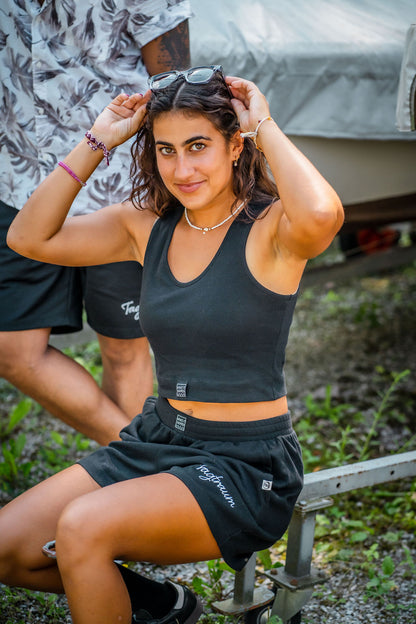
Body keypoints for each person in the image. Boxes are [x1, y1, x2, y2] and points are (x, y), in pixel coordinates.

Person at [0, 66, 344, 624]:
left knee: (83, 528)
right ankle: (162, 608)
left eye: (198, 146)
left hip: (245, 464)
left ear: (235, 146)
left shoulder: (272, 230)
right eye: (165, 150)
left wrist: (265, 125)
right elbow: (28, 237)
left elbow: (325, 214)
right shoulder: (147, 228)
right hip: (158, 440)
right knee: (9, 548)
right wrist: (98, 139)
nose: (181, 168)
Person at [0, 0, 191, 445]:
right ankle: (144, 458)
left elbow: (174, 85)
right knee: (12, 350)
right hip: (17, 177)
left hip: (118, 186)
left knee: (124, 349)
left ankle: (131, 493)